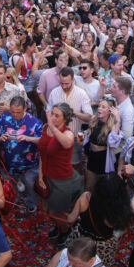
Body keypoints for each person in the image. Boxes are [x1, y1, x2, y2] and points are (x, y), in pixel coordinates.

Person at [38, 103, 84, 243]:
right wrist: (41, 175)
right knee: (47, 209)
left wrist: (53, 127)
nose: (52, 117)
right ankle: (59, 227)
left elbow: (67, 143)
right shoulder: (46, 128)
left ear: (65, 119)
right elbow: (43, 152)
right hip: (47, 176)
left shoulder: (67, 132)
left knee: (56, 212)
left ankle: (65, 231)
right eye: (52, 114)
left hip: (61, 179)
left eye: (56, 115)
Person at [62, 173, 132, 265]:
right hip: (101, 247)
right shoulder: (116, 211)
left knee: (73, 264)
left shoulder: (86, 197)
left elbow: (71, 219)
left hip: (80, 240)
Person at [47, 67, 94, 168]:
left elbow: (89, 117)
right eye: (62, 83)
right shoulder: (54, 92)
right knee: (57, 164)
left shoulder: (81, 93)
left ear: (73, 80)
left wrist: (74, 113)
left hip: (76, 137)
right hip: (57, 136)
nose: (64, 86)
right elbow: (48, 112)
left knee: (75, 164)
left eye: (67, 83)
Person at [83, 98, 123, 192]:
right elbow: (88, 137)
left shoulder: (112, 127)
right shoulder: (94, 121)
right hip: (92, 158)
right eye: (99, 106)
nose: (99, 109)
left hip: (103, 160)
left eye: (103, 107)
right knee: (89, 189)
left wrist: (118, 121)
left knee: (102, 190)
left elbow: (113, 143)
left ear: (110, 111)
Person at [43, 236, 109, 267]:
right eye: (69, 259)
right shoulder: (66, 252)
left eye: (75, 262)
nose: (70, 264)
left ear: (91, 260)